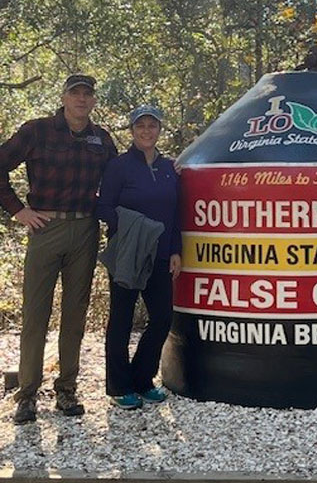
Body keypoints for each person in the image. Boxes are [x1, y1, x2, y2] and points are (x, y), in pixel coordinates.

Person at [0, 74, 117, 424]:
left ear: (94, 101)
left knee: (75, 314)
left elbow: (121, 176)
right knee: (36, 313)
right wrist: (18, 210)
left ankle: (66, 389)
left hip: (84, 228)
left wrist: (165, 166)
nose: (81, 99)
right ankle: (28, 395)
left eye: (87, 94)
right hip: (45, 228)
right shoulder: (37, 131)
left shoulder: (101, 138)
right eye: (75, 93)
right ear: (64, 97)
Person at [96, 105, 181, 410]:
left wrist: (175, 251)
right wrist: (133, 227)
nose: (147, 131)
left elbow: (176, 213)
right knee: (121, 319)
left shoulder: (170, 168)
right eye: (141, 126)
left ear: (160, 130)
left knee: (162, 318)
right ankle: (119, 387)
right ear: (132, 130)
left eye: (152, 126)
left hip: (160, 256)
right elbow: (103, 206)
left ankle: (143, 380)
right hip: (129, 253)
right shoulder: (119, 166)